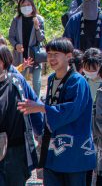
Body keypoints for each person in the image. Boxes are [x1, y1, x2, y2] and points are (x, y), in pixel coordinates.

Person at [18, 37, 96, 186]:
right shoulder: (53, 78)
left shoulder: (78, 81)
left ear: (68, 56)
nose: (51, 58)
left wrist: (41, 107)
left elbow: (72, 110)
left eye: (56, 54)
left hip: (75, 152)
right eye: (49, 54)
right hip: (54, 152)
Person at [0, 45, 43, 186]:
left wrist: (40, 134)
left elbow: (33, 105)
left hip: (15, 149)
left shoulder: (17, 81)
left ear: (3, 61)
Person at [8, 0, 45, 96]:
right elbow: (11, 37)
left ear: (32, 6)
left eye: (28, 4)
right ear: (19, 8)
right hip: (20, 55)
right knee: (18, 80)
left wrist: (37, 27)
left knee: (36, 83)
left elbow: (41, 39)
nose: (26, 7)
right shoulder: (16, 20)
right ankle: (21, 101)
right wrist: (16, 45)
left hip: (34, 54)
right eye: (23, 5)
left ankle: (36, 104)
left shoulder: (39, 19)